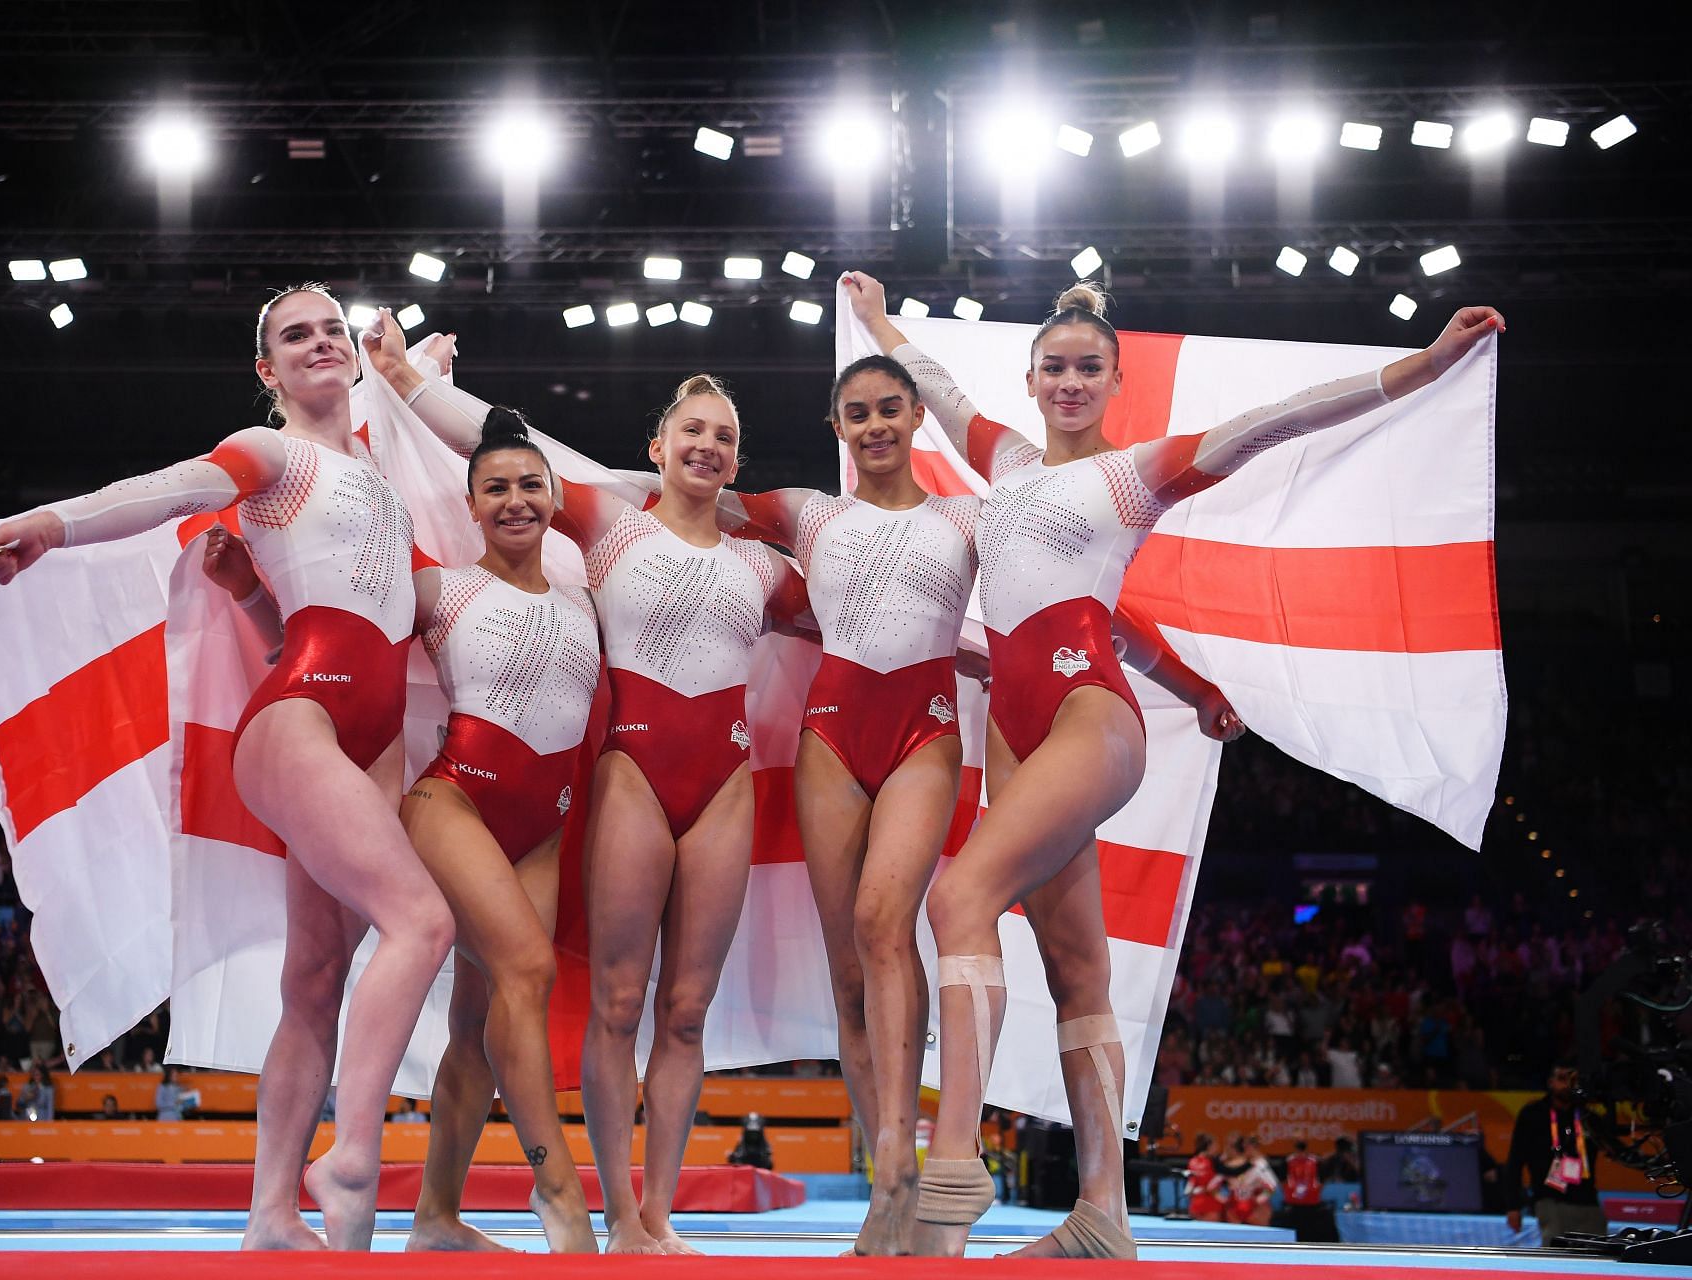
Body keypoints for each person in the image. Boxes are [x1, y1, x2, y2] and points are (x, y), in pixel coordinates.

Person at [845, 268, 1503, 1259]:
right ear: (1032, 379)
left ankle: (954, 1158)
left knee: (957, 899)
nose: (1069, 381)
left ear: (1115, 384)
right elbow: (940, 389)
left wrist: (1429, 363)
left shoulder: (1137, 471)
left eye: (1087, 369)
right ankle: (1103, 1208)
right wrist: (876, 319)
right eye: (1053, 367)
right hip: (1017, 726)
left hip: (1086, 717)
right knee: (1078, 970)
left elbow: (1279, 420)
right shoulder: (1008, 462)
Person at [703, 353, 1239, 1254]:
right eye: (856, 413)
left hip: (924, 733)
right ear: (838, 428)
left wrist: (1188, 683)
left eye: (889, 409)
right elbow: (683, 502)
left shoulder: (974, 519)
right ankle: (893, 1185)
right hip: (829, 736)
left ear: (915, 418)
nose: (874, 425)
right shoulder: (808, 512)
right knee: (850, 969)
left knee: (888, 925)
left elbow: (1081, 609)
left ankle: (928, 1168)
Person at [0, 283, 457, 1252]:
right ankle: (352, 1153)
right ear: (268, 370)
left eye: (330, 330)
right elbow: (175, 487)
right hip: (301, 726)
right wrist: (56, 522)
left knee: (315, 980)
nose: (320, 342)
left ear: (351, 357)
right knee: (423, 918)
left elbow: (310, 628)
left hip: (363, 731)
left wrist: (251, 599)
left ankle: (271, 1210)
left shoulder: (380, 482)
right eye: (294, 336)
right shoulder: (273, 453)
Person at [396, 358, 812, 1254]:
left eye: (725, 437)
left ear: (736, 463)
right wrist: (408, 383)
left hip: (724, 789)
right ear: (655, 448)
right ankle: (615, 1214)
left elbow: (863, 619)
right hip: (632, 777)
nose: (707, 444)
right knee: (621, 1000)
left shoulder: (765, 568)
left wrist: (978, 650)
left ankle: (656, 1217)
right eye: (692, 430)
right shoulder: (610, 526)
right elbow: (507, 452)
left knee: (687, 1010)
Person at [206, 389, 601, 1254]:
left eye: (530, 485)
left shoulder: (588, 599)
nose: (515, 502)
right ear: (469, 508)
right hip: (454, 804)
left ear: (557, 496)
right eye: (493, 489)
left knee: (476, 1024)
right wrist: (247, 593)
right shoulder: (438, 591)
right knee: (527, 973)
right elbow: (339, 642)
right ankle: (563, 1198)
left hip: (544, 824)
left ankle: (435, 1217)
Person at [1504, 1060, 1607, 1245]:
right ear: (1550, 1082)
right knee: (1557, 1255)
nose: (1567, 1084)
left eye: (1572, 1079)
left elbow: (1613, 1149)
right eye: (1561, 1078)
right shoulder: (1533, 1114)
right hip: (1549, 1198)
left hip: (1588, 1199)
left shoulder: (1589, 1118)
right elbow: (1515, 1161)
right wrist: (1513, 1206)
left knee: (1600, 1256)